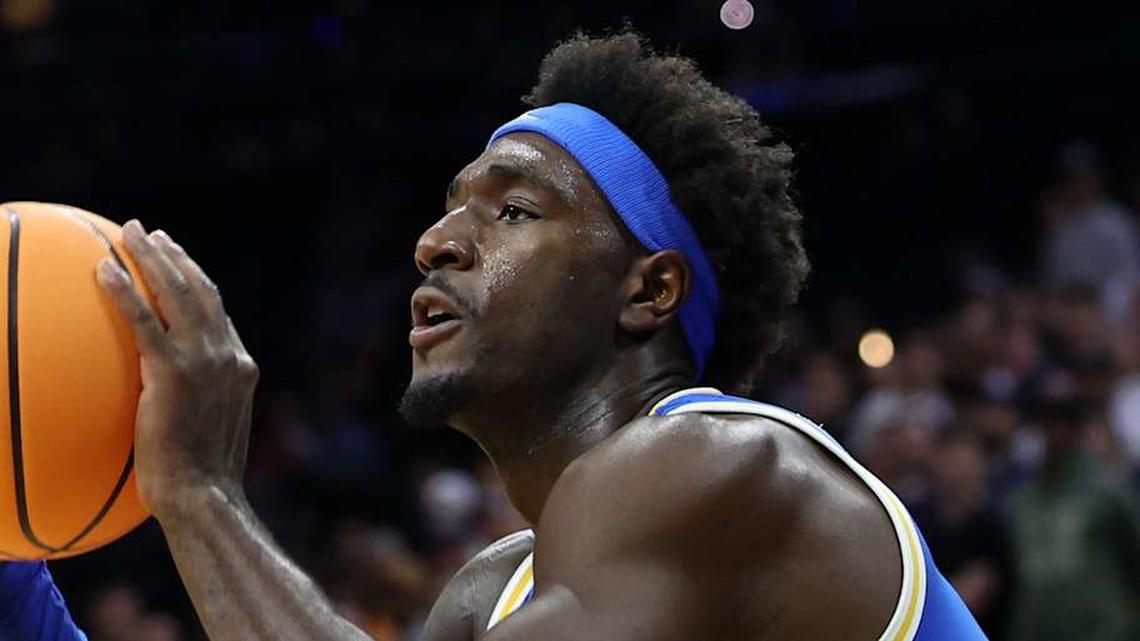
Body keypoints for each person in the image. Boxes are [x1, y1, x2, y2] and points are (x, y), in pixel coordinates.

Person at [2, 32, 986, 640]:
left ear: (649, 290)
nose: (435, 243)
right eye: (446, 210)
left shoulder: (718, 460)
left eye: (513, 211)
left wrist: (200, 491)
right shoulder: (489, 594)